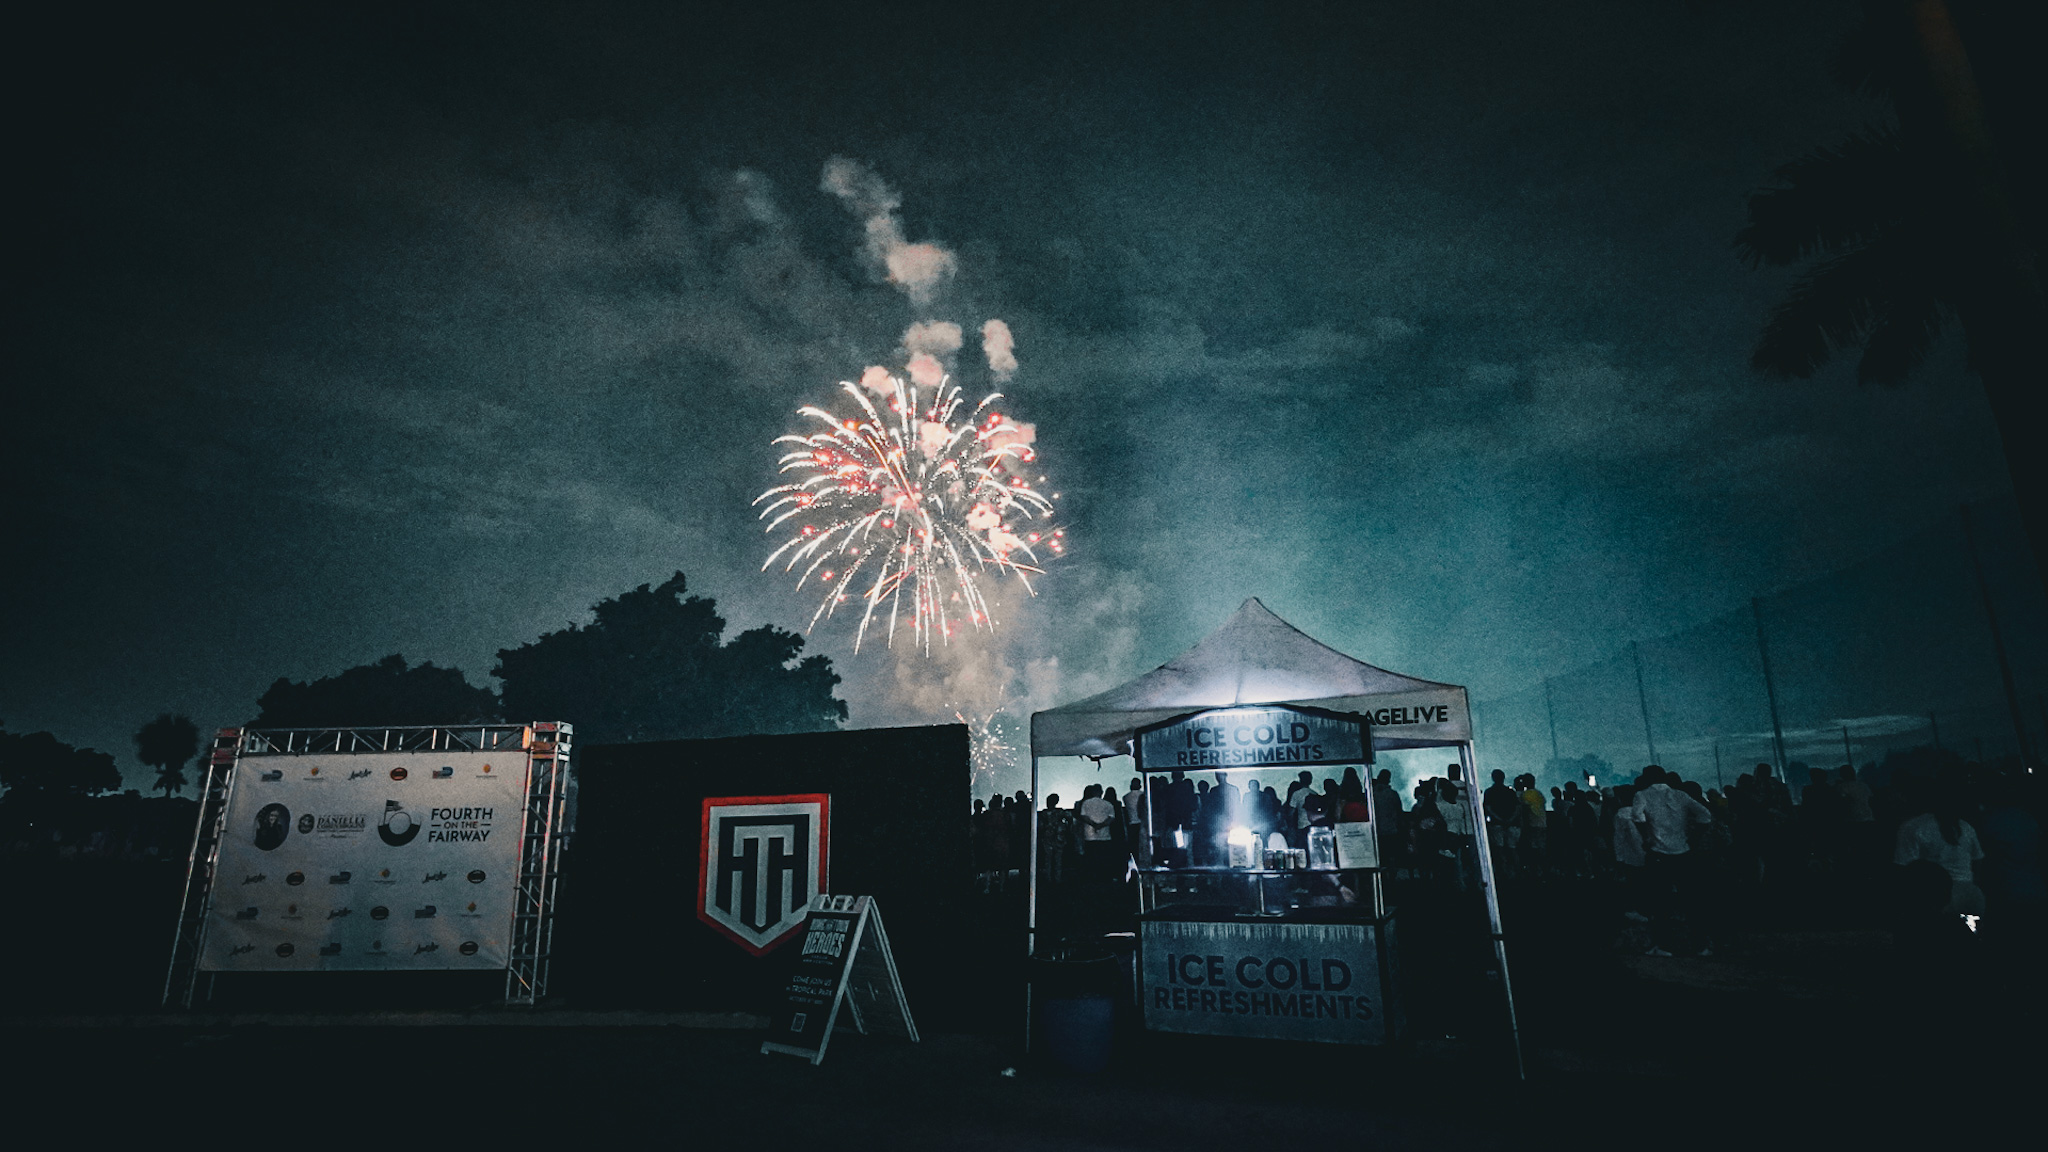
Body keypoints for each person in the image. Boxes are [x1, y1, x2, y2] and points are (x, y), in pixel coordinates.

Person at [1631, 766, 1712, 955]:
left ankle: (1664, 945)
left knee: (1660, 902)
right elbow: (1705, 815)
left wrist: (1646, 836)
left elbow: (1637, 816)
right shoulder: (1680, 795)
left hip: (1658, 853)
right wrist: (1694, 838)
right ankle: (1700, 944)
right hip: (1684, 851)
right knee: (1691, 900)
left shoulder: (1642, 795)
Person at [1893, 784, 1986, 918]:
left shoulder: (1913, 827)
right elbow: (1978, 860)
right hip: (1970, 893)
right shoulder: (1966, 827)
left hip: (1934, 896)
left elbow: (1903, 867)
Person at [1076, 784, 1117, 882]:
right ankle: (1103, 878)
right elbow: (1111, 818)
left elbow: (1084, 816)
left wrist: (1094, 824)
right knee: (1103, 858)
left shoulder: (1086, 803)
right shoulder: (1108, 804)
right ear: (1101, 792)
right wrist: (1101, 825)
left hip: (1089, 835)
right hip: (1105, 835)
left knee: (1091, 858)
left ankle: (1091, 878)